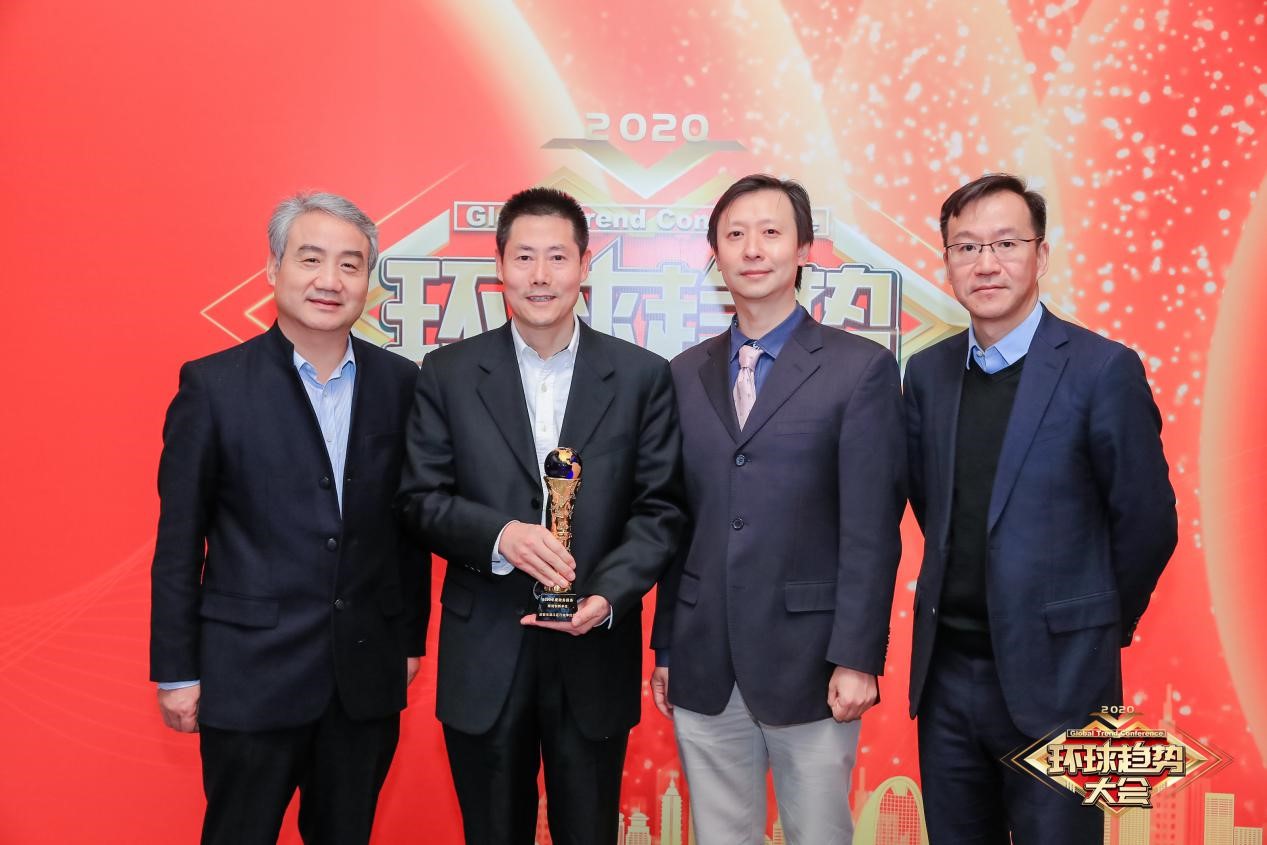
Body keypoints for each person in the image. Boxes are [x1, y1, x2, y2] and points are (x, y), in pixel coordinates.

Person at [396, 186, 684, 845]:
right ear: (499, 266)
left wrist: (608, 596)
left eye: (557, 256)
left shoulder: (641, 376)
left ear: (585, 265)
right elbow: (418, 498)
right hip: (485, 651)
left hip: (594, 648)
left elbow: (660, 508)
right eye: (524, 257)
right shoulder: (447, 373)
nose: (540, 275)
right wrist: (500, 536)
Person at [904, 173, 1178, 843]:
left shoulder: (1102, 369)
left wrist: (1092, 623)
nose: (985, 264)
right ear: (947, 262)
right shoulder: (928, 373)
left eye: (1005, 243)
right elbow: (932, 504)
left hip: (1065, 680)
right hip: (948, 677)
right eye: (966, 247)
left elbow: (1147, 523)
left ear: (1041, 255)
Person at [149, 192, 429, 845]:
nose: (330, 280)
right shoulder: (213, 386)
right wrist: (178, 670)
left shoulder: (402, 384)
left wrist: (409, 640)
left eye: (350, 264)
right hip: (249, 674)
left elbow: (409, 527)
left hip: (363, 677)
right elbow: (179, 541)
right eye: (310, 259)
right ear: (274, 268)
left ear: (368, 281)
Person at [650, 174, 906, 845]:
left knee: (818, 833)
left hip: (813, 663)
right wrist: (668, 645)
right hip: (704, 658)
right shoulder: (682, 373)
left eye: (770, 232)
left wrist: (857, 656)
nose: (752, 249)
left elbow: (871, 530)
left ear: (804, 249)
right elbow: (675, 520)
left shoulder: (859, 369)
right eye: (735, 234)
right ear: (715, 254)